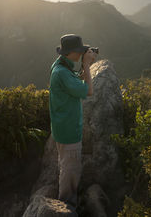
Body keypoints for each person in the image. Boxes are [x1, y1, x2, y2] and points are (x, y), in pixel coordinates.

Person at [49, 34, 96, 209]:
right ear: (71, 53)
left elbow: (74, 79)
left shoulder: (60, 65)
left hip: (62, 126)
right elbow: (88, 91)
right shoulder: (62, 73)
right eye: (79, 51)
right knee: (71, 169)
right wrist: (86, 65)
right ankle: (66, 206)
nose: (80, 53)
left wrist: (84, 67)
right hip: (69, 130)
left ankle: (67, 200)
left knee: (66, 164)